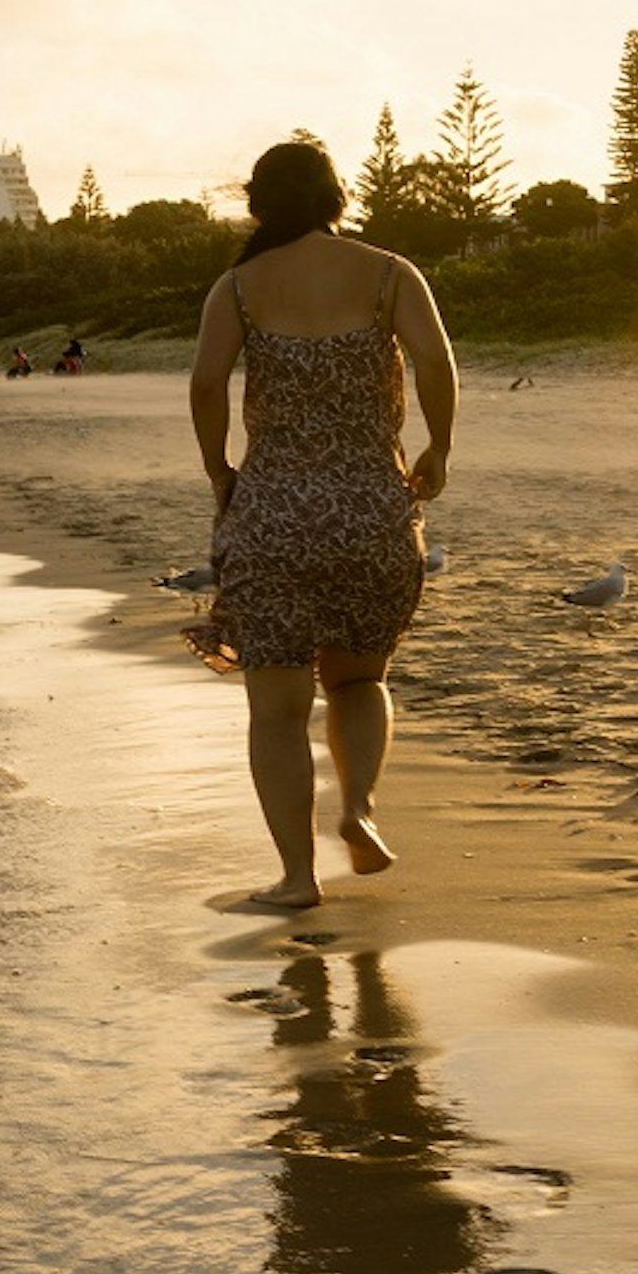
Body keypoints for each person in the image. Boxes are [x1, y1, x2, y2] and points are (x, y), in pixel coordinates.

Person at [189, 137, 457, 910]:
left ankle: (298, 878)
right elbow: (436, 362)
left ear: (260, 202)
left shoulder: (238, 288)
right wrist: (439, 447)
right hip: (371, 510)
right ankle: (359, 810)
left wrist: (221, 470)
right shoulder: (387, 274)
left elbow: (208, 385)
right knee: (360, 679)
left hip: (273, 515)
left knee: (275, 710)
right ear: (336, 195)